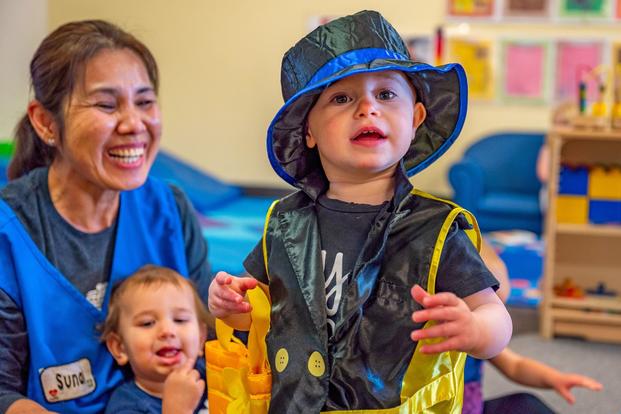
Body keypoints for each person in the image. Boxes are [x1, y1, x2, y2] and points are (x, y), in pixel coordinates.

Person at [208, 10, 511, 412]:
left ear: (416, 118)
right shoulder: (285, 221)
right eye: (341, 97)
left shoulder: (435, 230)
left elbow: (496, 317)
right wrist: (231, 305)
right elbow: (262, 311)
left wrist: (475, 329)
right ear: (309, 132)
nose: (367, 108)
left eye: (386, 94)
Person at [0, 20, 210, 414]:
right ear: (46, 123)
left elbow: (206, 342)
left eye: (145, 102)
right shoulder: (10, 234)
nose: (134, 124)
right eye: (106, 105)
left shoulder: (168, 210)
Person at [464, 241, 603, 414]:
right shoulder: (438, 334)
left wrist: (555, 379)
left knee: (524, 404)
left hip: (474, 409)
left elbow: (516, 366)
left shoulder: (485, 334)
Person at [101, 265, 210, 414]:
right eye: (147, 323)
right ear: (120, 348)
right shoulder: (126, 406)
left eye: (180, 319)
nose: (167, 331)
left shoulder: (210, 373)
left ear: (201, 337)